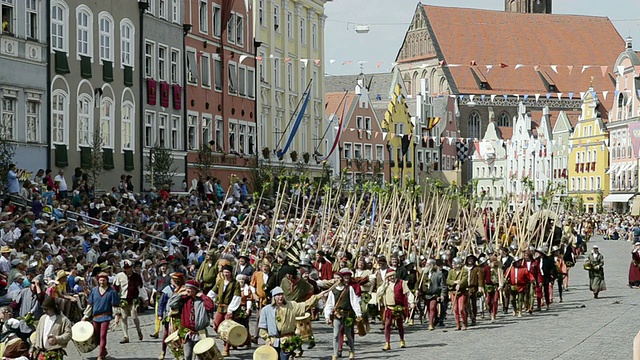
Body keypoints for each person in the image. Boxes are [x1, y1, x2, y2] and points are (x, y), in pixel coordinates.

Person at [258, 286, 327, 360]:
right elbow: (262, 327)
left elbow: (305, 305)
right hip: (272, 341)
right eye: (278, 295)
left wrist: (318, 296)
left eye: (282, 295)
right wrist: (267, 339)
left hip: (287, 340)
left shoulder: (291, 305)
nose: (280, 297)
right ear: (273, 297)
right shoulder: (266, 310)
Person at [167, 280, 214, 360]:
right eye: (186, 288)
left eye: (190, 288)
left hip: (200, 333)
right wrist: (180, 294)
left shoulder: (202, 300)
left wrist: (203, 296)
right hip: (187, 333)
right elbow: (171, 303)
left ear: (195, 289)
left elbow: (211, 306)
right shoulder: (184, 299)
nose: (187, 290)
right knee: (187, 355)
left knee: (201, 356)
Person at [324, 269, 362, 360]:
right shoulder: (332, 291)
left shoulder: (349, 289)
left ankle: (351, 351)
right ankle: (335, 353)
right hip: (337, 315)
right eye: (335, 279)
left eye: (338, 278)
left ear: (341, 279)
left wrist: (358, 313)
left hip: (348, 315)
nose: (336, 280)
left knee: (349, 334)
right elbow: (329, 304)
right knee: (336, 335)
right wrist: (327, 316)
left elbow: (354, 302)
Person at [83, 272, 121, 360]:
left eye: (104, 280)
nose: (102, 282)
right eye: (100, 280)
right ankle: (103, 350)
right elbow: (90, 304)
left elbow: (115, 305)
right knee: (96, 336)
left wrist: (116, 317)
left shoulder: (112, 292)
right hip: (96, 317)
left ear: (107, 281)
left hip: (106, 317)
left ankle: (100, 356)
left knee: (102, 335)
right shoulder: (94, 291)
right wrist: (85, 316)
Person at [207, 264, 241, 357]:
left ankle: (226, 349)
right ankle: (229, 341)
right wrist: (207, 300)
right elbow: (212, 292)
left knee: (227, 329)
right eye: (224, 272)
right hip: (220, 308)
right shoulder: (220, 282)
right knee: (216, 326)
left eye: (227, 272)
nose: (226, 274)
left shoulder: (235, 283)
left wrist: (231, 310)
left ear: (230, 273)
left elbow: (236, 297)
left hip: (229, 308)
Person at [113, 260, 148, 343]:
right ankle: (125, 336)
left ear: (132, 268)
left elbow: (141, 288)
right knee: (124, 317)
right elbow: (115, 288)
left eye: (129, 268)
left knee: (134, 316)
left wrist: (145, 298)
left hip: (133, 299)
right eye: (126, 268)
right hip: (123, 299)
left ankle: (138, 330)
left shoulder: (136, 276)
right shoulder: (119, 276)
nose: (127, 270)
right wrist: (115, 300)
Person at [377, 270, 410, 351]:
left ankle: (402, 340)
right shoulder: (385, 285)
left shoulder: (402, 283)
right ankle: (387, 343)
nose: (392, 277)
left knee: (399, 324)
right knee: (387, 324)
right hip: (389, 307)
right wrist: (384, 285)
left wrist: (411, 302)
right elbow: (379, 294)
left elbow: (408, 293)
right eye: (390, 276)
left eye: (393, 276)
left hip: (398, 307)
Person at [32, 296, 73, 360]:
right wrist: (33, 347)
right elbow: (37, 334)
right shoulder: (43, 318)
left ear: (52, 308)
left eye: (46, 309)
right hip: (40, 353)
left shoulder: (63, 320)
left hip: (54, 354)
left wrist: (56, 339)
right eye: (43, 309)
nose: (44, 311)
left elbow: (68, 334)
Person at [418, 258, 447, 330]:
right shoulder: (424, 273)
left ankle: (431, 323)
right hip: (426, 294)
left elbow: (443, 285)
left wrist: (443, 294)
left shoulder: (439, 274)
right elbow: (418, 283)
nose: (426, 266)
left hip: (434, 294)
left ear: (432, 265)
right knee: (428, 308)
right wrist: (417, 290)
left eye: (428, 264)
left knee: (432, 308)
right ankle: (433, 319)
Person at [446, 257, 468, 330]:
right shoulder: (451, 271)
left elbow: (464, 279)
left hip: (461, 292)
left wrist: (460, 284)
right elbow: (448, 280)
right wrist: (454, 282)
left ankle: (464, 323)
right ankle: (457, 324)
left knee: (461, 308)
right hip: (453, 292)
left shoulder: (464, 271)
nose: (453, 265)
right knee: (455, 309)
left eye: (454, 263)